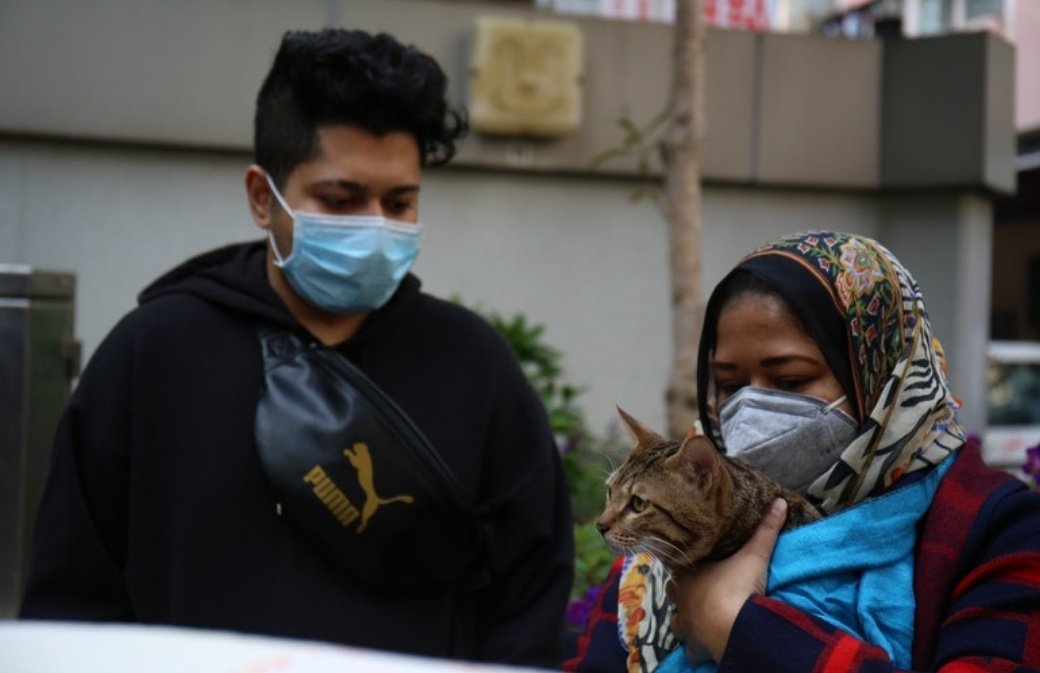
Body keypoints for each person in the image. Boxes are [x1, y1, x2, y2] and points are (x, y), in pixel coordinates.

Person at [20, 28, 574, 667]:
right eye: (342, 201)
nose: (375, 227)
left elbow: (528, 597)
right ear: (263, 197)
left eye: (399, 202)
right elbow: (73, 596)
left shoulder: (474, 366)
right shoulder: (153, 357)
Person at [565, 231, 1040, 673]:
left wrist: (737, 626)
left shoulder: (995, 527)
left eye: (790, 381)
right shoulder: (674, 524)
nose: (749, 408)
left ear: (879, 372)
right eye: (728, 385)